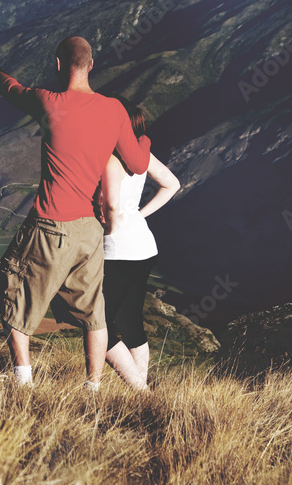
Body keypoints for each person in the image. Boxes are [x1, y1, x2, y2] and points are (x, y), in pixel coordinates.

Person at [0, 36, 151, 389]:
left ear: (59, 65)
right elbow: (136, 163)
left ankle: (23, 383)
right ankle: (93, 388)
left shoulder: (49, 101)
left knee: (15, 302)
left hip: (49, 225)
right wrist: (145, 140)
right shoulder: (115, 111)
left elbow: (12, 89)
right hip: (89, 232)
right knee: (93, 315)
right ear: (91, 65)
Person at [99, 98, 180, 389]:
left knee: (100, 325)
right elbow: (172, 184)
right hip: (144, 246)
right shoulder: (141, 157)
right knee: (131, 321)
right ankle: (140, 394)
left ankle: (140, 391)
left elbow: (110, 207)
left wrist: (110, 229)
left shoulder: (111, 158)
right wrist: (139, 215)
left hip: (118, 250)